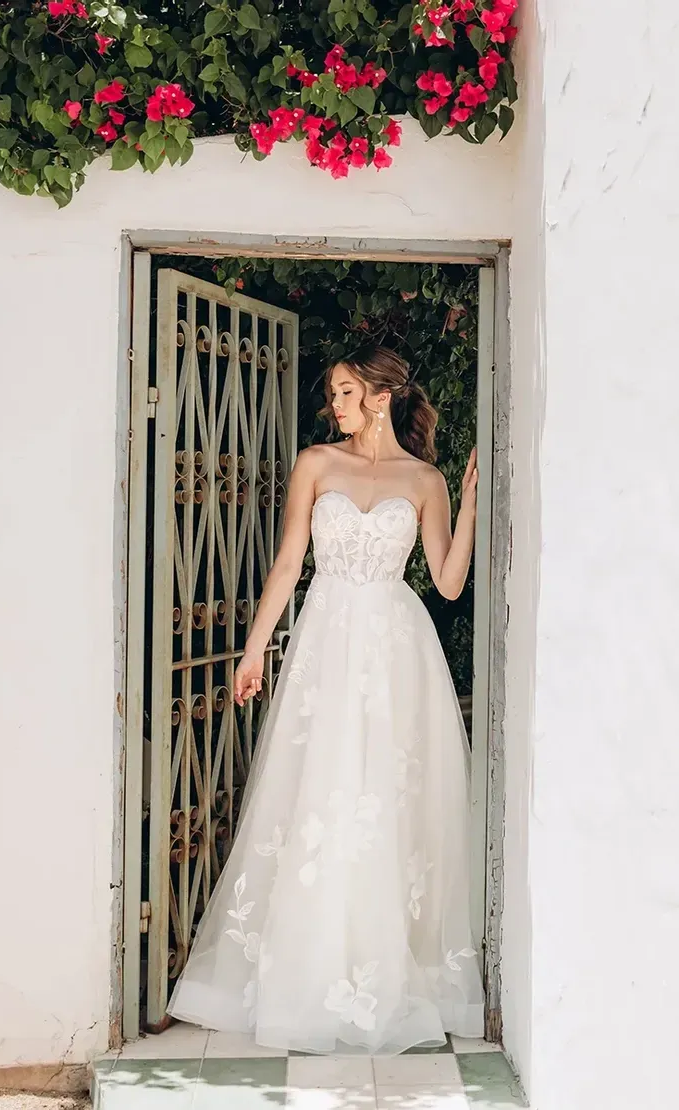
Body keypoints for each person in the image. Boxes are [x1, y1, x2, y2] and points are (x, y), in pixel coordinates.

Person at [167, 344, 484, 1054]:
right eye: (334, 394)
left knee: (387, 801)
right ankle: (307, 973)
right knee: (319, 795)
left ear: (380, 396)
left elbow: (450, 582)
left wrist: (466, 506)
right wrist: (253, 650)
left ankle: (381, 975)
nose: (333, 405)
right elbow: (288, 563)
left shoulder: (425, 478)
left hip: (398, 647)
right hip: (328, 639)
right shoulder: (316, 464)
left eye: (344, 392)